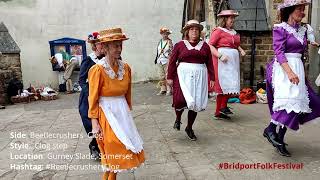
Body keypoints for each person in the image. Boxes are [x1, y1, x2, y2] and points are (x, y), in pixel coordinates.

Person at [263, 0, 320, 157]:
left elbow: (301, 52)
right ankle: (270, 130)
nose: (302, 12)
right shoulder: (280, 29)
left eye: (303, 10)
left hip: (297, 68)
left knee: (296, 105)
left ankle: (279, 138)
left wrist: (302, 74)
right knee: (289, 102)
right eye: (299, 9)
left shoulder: (302, 31)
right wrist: (289, 73)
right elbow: (279, 52)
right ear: (290, 11)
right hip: (283, 69)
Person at [88, 28, 145, 180]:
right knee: (115, 148)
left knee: (115, 157)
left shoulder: (125, 68)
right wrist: (94, 123)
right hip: (106, 111)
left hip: (121, 111)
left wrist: (127, 113)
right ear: (105, 48)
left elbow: (128, 92)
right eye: (115, 46)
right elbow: (92, 98)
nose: (119, 49)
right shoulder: (97, 70)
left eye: (120, 45)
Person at [167, 20, 214, 141]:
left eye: (197, 30)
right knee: (179, 100)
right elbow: (172, 62)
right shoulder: (179, 45)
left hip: (199, 76)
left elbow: (210, 62)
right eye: (192, 29)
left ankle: (189, 127)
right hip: (182, 76)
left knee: (195, 103)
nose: (194, 31)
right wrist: (170, 77)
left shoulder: (205, 46)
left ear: (199, 32)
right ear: (187, 32)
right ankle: (178, 119)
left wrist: (212, 77)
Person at [208, 9, 246, 120]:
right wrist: (219, 55)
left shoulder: (233, 32)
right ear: (224, 20)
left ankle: (220, 110)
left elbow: (235, 44)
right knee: (224, 84)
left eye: (233, 18)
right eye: (230, 18)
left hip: (232, 61)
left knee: (231, 84)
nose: (232, 20)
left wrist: (240, 49)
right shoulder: (218, 31)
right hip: (222, 61)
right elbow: (210, 45)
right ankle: (221, 108)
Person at [78, 31, 104, 160]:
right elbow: (81, 81)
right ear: (95, 46)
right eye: (100, 44)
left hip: (104, 97)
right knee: (92, 124)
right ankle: (94, 146)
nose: (102, 46)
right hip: (89, 98)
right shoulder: (88, 60)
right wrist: (90, 94)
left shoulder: (109, 58)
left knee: (105, 124)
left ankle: (103, 147)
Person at [154, 27, 173, 96]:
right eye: (163, 33)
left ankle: (169, 90)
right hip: (160, 60)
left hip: (167, 61)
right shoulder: (160, 41)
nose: (165, 35)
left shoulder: (170, 42)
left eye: (166, 33)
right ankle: (163, 89)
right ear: (161, 34)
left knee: (167, 75)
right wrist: (156, 58)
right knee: (161, 76)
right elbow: (158, 51)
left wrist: (170, 59)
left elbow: (172, 52)